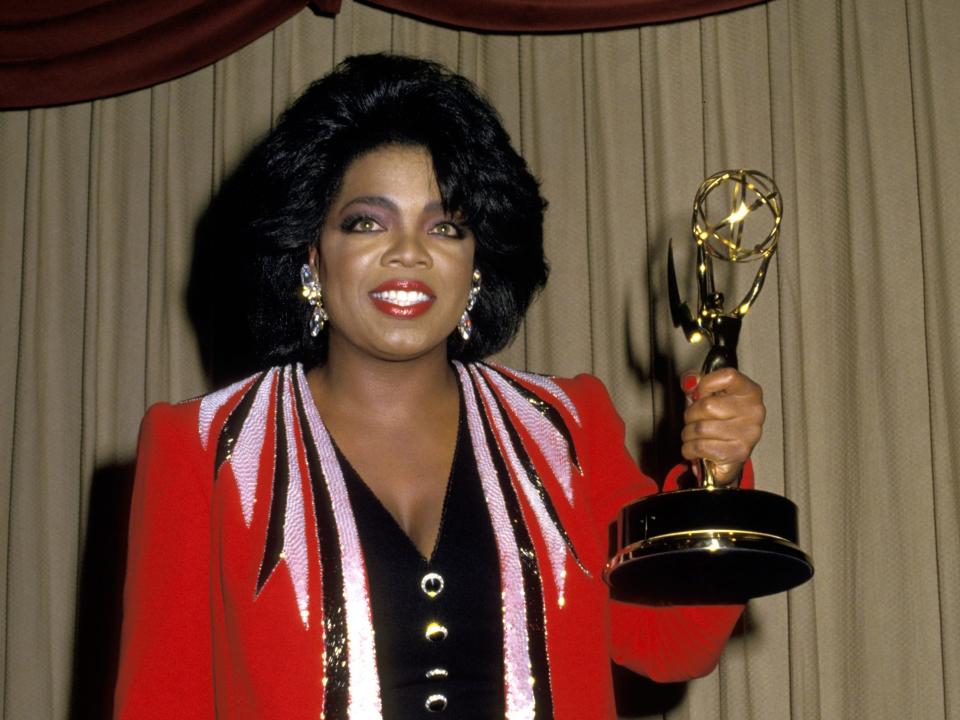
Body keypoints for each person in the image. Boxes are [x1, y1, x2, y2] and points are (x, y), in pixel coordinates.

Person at [114, 53, 765, 720]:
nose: (409, 252)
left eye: (445, 226)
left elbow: (670, 641)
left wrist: (718, 474)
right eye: (367, 221)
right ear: (310, 255)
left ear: (476, 265)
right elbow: (161, 701)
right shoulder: (203, 448)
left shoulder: (566, 427)